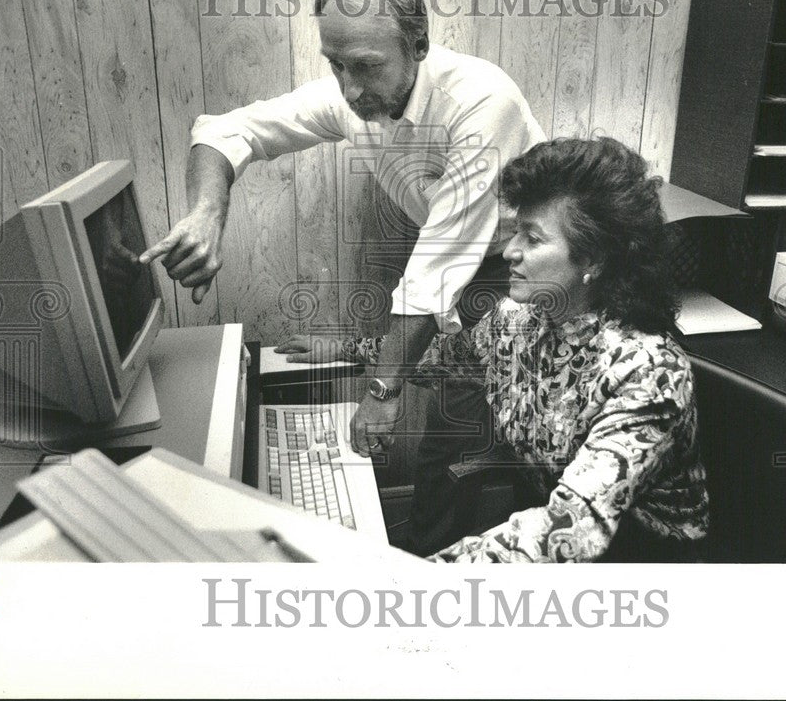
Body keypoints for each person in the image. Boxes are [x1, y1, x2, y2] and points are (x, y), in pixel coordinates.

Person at [139, 0, 545, 556]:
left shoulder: (483, 101)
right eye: (336, 65)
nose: (350, 91)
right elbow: (229, 131)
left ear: (419, 47)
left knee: (455, 448)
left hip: (517, 274)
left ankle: (441, 586)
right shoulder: (353, 95)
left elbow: (436, 267)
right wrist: (206, 213)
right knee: (445, 446)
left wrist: (381, 391)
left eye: (365, 66)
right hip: (458, 269)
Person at [281, 137, 710, 562]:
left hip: (642, 567)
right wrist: (345, 349)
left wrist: (416, 583)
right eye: (516, 230)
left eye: (533, 238)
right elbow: (443, 357)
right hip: (555, 544)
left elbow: (572, 529)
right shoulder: (519, 319)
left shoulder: (649, 371)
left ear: (595, 259)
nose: (510, 251)